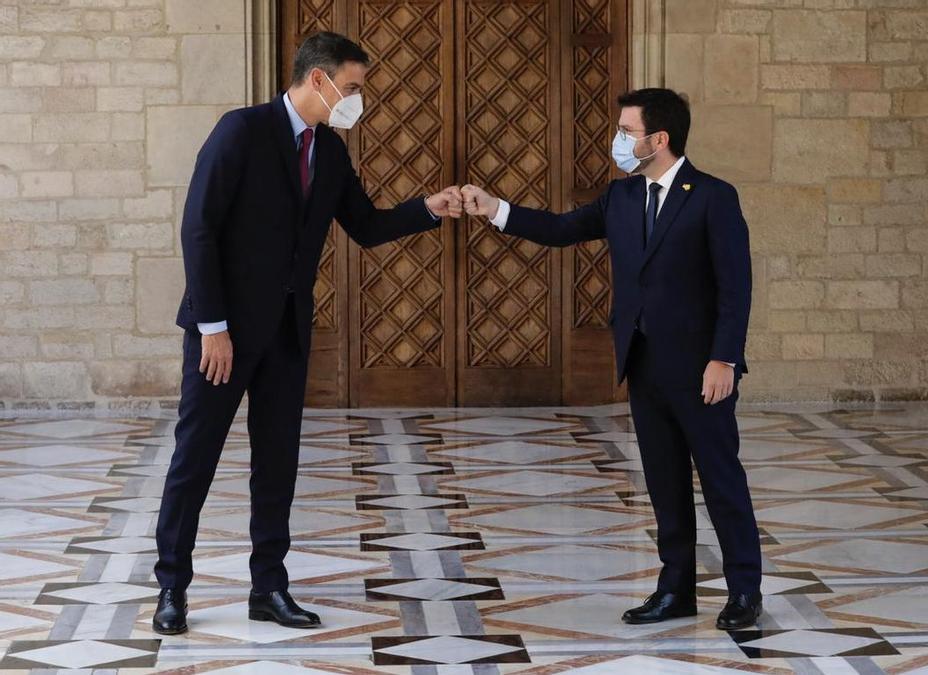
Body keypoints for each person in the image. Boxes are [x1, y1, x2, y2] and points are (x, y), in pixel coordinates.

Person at [152, 31, 462, 635]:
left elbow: (367, 226)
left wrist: (431, 206)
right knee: (196, 458)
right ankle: (172, 587)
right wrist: (213, 327)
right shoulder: (240, 131)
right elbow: (199, 229)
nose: (356, 100)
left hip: (288, 334)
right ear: (317, 80)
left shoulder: (332, 153)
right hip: (223, 334)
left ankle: (269, 585)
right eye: (351, 88)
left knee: (278, 462)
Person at [460, 88, 762, 630]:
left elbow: (736, 287)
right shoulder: (620, 198)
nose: (619, 141)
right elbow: (559, 229)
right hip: (643, 364)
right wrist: (495, 209)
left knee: (720, 480)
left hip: (701, 371)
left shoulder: (714, 197)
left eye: (627, 131)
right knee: (663, 482)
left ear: (659, 139)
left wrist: (724, 359)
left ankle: (744, 592)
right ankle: (676, 590)